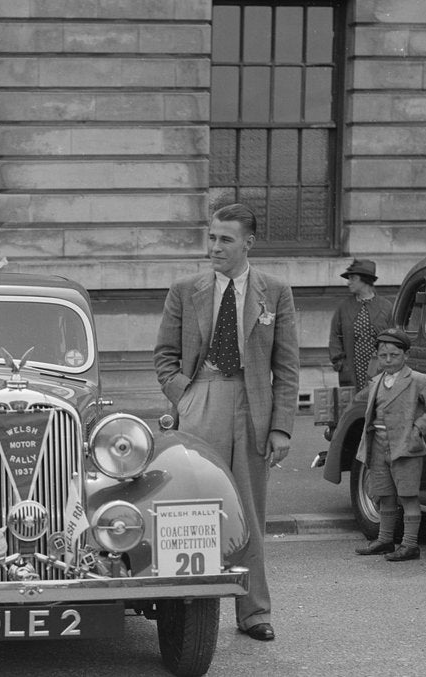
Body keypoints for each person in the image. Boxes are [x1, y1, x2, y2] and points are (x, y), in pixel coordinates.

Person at [153, 203, 299, 642]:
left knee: (248, 512)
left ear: (248, 243)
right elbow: (164, 356)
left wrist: (281, 427)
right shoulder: (185, 290)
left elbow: (287, 367)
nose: (215, 247)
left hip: (253, 407)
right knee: (193, 507)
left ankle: (254, 613)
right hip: (201, 397)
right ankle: (186, 612)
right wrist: (185, 395)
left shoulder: (275, 292)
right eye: (212, 237)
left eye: (226, 240)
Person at [354, 328, 426, 562]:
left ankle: (410, 545)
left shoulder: (418, 380)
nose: (388, 360)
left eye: (394, 355)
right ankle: (385, 540)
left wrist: (417, 429)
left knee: (408, 496)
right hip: (378, 445)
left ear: (406, 355)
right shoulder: (376, 381)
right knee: (384, 495)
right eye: (383, 355)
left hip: (406, 447)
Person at [329, 259, 393, 391]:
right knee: (355, 400)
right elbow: (335, 336)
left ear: (365, 280)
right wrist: (340, 363)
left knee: (379, 398)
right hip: (352, 369)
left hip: (380, 369)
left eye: (353, 278)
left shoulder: (386, 307)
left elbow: (394, 338)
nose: (348, 282)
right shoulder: (344, 307)